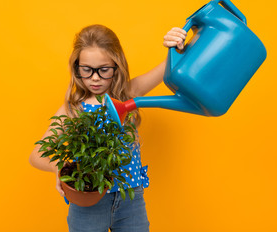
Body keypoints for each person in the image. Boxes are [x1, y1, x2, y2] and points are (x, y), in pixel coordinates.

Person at [29, 24, 187, 232]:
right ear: (77, 68)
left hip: (130, 198)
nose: (95, 78)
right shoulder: (73, 109)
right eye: (86, 70)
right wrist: (57, 168)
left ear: (117, 66)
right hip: (88, 202)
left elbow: (168, 66)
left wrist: (176, 45)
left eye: (104, 70)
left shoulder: (128, 94)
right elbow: (36, 155)